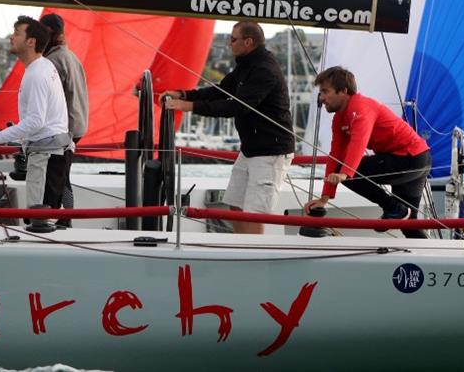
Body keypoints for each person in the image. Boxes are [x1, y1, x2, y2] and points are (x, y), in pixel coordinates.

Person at [164, 21, 295, 234]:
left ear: (248, 42)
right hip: (251, 149)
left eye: (233, 39)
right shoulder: (246, 65)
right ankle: (241, 248)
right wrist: (184, 94)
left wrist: (190, 106)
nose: (229, 44)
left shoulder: (264, 70)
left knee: (254, 212)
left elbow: (236, 106)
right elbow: (220, 91)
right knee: (236, 205)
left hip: (271, 152)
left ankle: (250, 257)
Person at [303, 66, 431, 239]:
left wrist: (345, 174)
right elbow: (335, 155)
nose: (322, 98)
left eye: (325, 91)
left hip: (410, 159)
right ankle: (428, 258)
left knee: (349, 173)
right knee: (408, 223)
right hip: (416, 158)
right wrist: (324, 198)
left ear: (343, 91)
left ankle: (393, 208)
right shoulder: (340, 119)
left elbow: (359, 142)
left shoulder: (360, 107)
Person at [0, 16, 70, 210]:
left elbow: (35, 121)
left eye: (16, 34)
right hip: (54, 150)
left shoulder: (36, 74)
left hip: (46, 154)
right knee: (48, 212)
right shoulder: (43, 67)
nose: (11, 38)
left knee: (39, 215)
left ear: (31, 42)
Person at [39, 13, 89, 225]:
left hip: (63, 129)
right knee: (63, 175)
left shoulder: (53, 61)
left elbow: (50, 101)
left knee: (56, 176)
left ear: (48, 32)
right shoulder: (71, 57)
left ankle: (55, 218)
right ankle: (65, 217)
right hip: (77, 126)